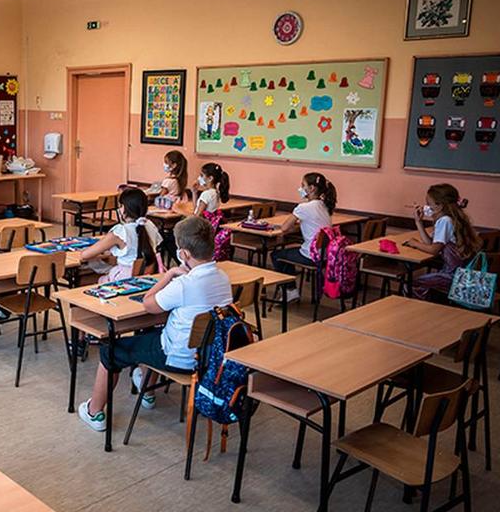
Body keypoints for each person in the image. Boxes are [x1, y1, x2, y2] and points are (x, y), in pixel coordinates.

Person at [78, 217, 232, 429]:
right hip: (208, 357)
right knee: (150, 333)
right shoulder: (223, 277)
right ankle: (147, 391)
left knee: (110, 350)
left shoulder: (184, 284)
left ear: (184, 254)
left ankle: (94, 411)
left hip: (180, 358)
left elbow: (149, 304)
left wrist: (168, 274)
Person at [404, 184, 480, 300]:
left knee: (413, 284)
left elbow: (434, 250)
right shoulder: (452, 218)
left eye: (429, 204)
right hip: (461, 274)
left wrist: (415, 243)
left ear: (440, 206)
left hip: (453, 277)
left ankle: (419, 313)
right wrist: (418, 222)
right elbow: (431, 244)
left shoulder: (444, 221)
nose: (427, 207)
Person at [270, 172, 336, 302]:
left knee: (277, 255)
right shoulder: (324, 205)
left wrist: (279, 227)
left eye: (303, 185)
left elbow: (284, 228)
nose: (300, 188)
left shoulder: (303, 207)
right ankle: (291, 289)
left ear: (311, 189)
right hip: (325, 255)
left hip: (310, 255)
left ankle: (290, 291)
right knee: (288, 251)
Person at [80, 187, 162, 282]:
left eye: (121, 206)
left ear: (124, 208)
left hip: (124, 279)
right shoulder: (149, 224)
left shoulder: (121, 231)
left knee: (92, 276)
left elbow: (85, 255)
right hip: (147, 276)